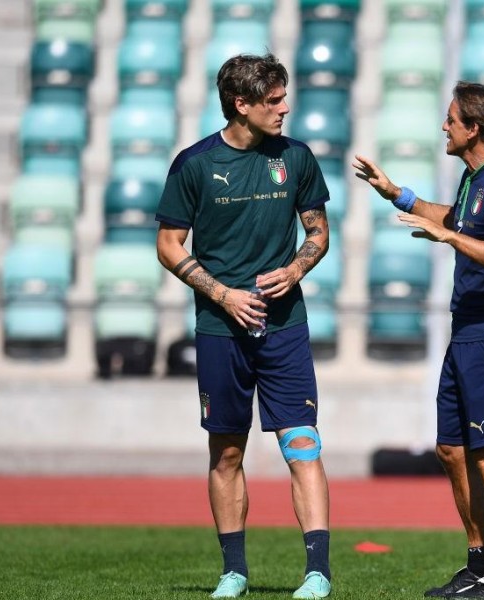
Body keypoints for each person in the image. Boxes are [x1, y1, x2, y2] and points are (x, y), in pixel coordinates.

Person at [155, 53, 333, 599]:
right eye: (274, 100)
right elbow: (168, 246)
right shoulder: (193, 164)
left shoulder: (297, 158)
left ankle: (318, 573)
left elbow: (319, 234)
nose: (285, 108)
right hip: (219, 327)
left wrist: (297, 268)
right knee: (226, 452)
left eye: (284, 97)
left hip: (285, 326)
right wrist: (223, 294)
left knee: (302, 444)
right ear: (242, 104)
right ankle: (233, 571)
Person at [354, 81, 484, 600]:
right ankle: (479, 564)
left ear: (474, 128)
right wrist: (397, 194)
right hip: (466, 332)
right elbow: (455, 221)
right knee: (452, 450)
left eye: (452, 119)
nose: (444, 126)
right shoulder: (472, 178)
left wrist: (452, 240)